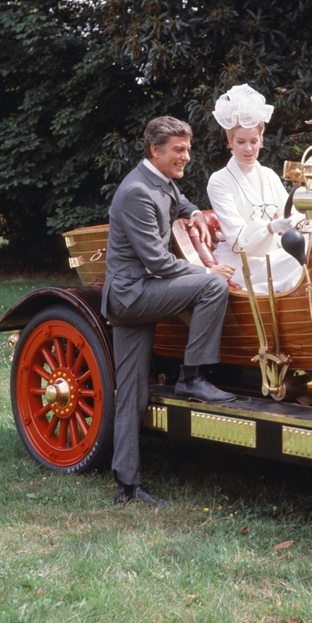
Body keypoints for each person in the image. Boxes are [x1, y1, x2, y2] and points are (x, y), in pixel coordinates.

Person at [101, 116, 236, 507]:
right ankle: (192, 377)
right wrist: (206, 270)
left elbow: (180, 201)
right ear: (154, 151)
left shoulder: (161, 181)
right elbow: (159, 263)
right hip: (132, 295)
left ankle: (127, 485)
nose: (186, 157)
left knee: (132, 392)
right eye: (178, 150)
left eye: (187, 149)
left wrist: (194, 212)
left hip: (138, 293)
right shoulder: (137, 192)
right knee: (212, 286)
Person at [207, 84, 304, 294]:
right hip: (242, 260)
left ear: (262, 140)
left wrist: (297, 221)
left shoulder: (269, 175)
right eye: (241, 142)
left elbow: (292, 213)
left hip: (274, 250)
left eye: (253, 141)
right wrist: (270, 227)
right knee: (300, 265)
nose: (248, 148)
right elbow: (238, 240)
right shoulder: (219, 181)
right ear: (230, 142)